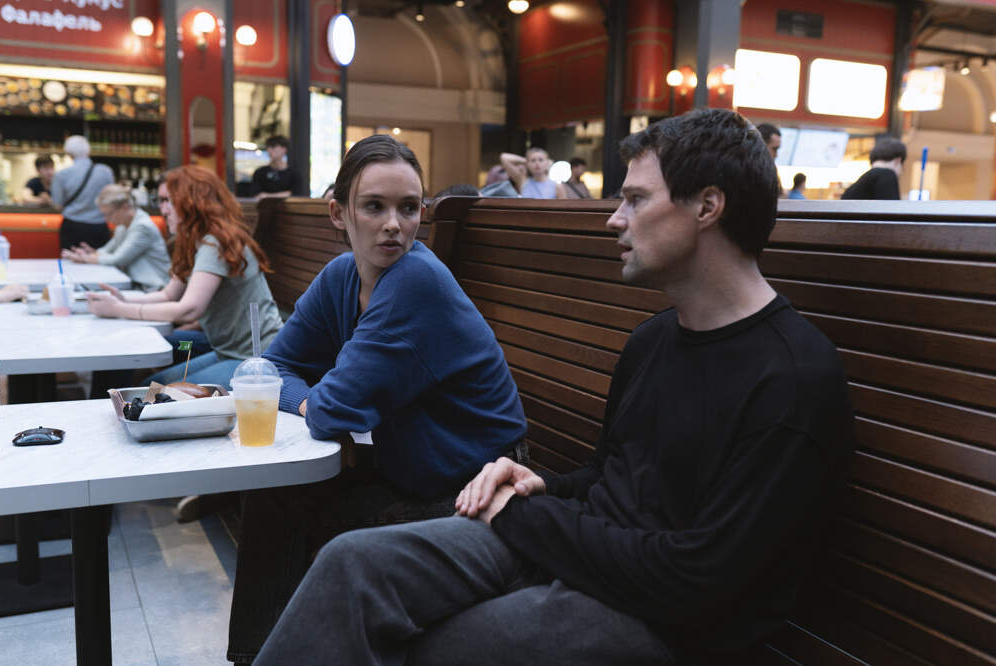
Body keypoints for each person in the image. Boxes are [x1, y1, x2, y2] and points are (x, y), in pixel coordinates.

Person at [252, 109, 855, 666]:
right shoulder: (654, 341)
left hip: (664, 618)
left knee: (436, 645)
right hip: (579, 551)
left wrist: (525, 514)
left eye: (636, 199)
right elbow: (610, 477)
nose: (615, 218)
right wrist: (535, 483)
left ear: (707, 207)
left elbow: (700, 580)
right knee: (351, 567)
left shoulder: (792, 378)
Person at [226, 134, 527, 664]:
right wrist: (313, 402)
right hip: (413, 468)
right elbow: (272, 368)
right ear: (338, 214)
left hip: (475, 487)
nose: (394, 224)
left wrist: (313, 403)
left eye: (408, 208)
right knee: (274, 494)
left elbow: (332, 411)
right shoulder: (342, 276)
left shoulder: (416, 281)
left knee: (330, 533)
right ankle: (254, 657)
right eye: (374, 207)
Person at [86, 165, 282, 389]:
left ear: (194, 202)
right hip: (226, 351)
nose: (163, 210)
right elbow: (169, 294)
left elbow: (189, 310)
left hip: (257, 358)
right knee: (153, 384)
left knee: (157, 393)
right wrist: (123, 301)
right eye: (161, 201)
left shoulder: (216, 242)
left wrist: (118, 309)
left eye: (168, 201)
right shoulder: (195, 241)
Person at [61, 184, 171, 291]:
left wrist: (85, 258)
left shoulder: (142, 227)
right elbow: (107, 251)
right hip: (139, 286)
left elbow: (117, 260)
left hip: (155, 289)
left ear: (125, 207)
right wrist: (90, 254)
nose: (107, 219)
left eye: (108, 214)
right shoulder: (123, 226)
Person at [51, 135, 115, 250]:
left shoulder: (61, 175)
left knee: (71, 260)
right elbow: (111, 199)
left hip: (72, 226)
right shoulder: (106, 171)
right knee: (100, 259)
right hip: (99, 227)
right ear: (89, 151)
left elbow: (57, 205)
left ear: (69, 154)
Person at [841, 137, 905, 200]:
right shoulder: (886, 175)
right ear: (898, 161)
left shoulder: (861, 182)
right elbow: (890, 206)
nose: (901, 172)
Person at [501, 147, 566, 199]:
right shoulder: (523, 181)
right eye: (533, 160)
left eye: (541, 160)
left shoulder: (557, 186)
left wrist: (529, 161)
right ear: (527, 164)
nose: (537, 163)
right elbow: (504, 157)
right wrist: (526, 161)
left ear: (547, 163)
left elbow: (563, 208)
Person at [251, 135, 297, 200]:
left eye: (273, 147)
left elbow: (296, 194)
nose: (269, 150)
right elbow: (256, 195)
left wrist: (267, 196)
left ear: (284, 149)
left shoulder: (294, 174)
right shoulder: (260, 172)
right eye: (268, 147)